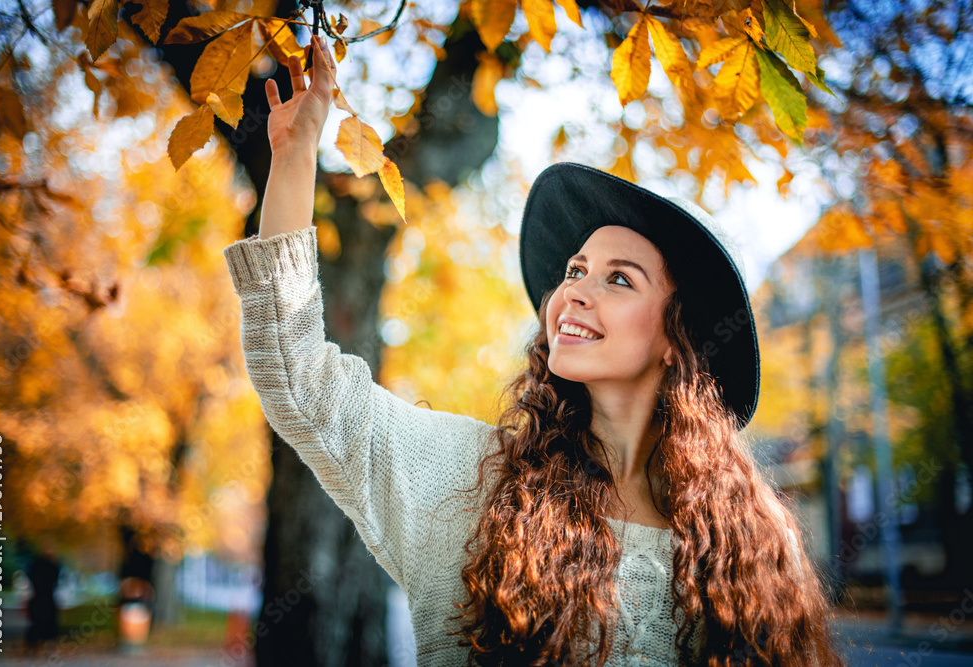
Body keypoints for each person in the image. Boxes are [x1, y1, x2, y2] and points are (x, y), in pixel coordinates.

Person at [223, 33, 846, 666]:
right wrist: (297, 155)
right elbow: (298, 377)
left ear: (674, 339)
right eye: (574, 271)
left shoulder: (749, 543)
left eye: (619, 279)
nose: (573, 293)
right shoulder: (470, 482)